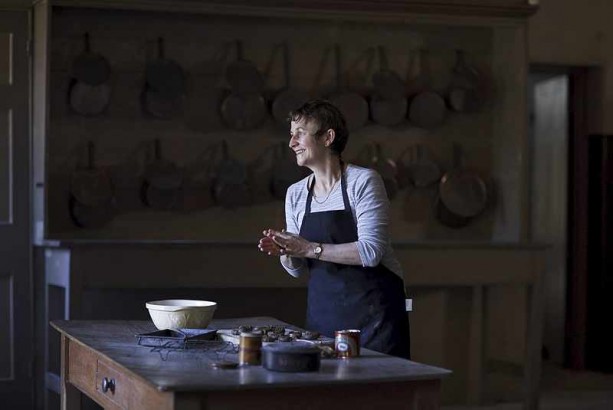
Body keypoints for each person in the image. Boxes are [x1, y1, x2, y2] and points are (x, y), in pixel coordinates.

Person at [258, 99, 411, 360]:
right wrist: (286, 250)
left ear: (328, 137)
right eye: (291, 135)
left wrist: (307, 247)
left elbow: (370, 252)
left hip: (376, 317)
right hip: (324, 314)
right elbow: (296, 270)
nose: (291, 143)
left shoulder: (363, 181)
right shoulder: (295, 194)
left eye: (300, 134)